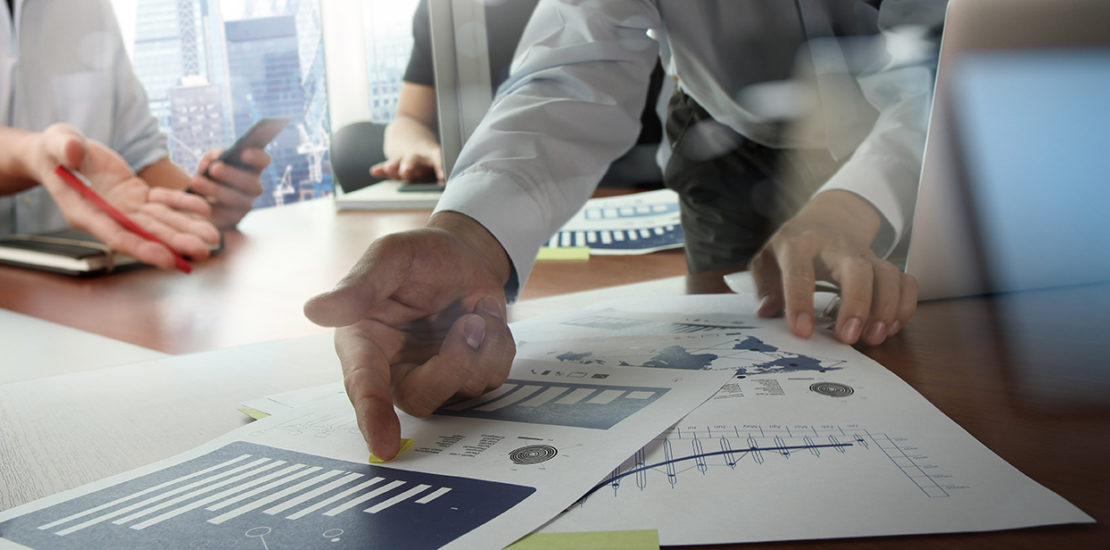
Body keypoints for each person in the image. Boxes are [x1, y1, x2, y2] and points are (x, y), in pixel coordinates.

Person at [306, 0, 946, 460]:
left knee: (933, 347)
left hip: (928, 118)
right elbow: (578, 61)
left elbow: (944, 59)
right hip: (729, 132)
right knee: (752, 359)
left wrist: (854, 205)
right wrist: (470, 237)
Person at [1, 0, 269, 269]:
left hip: (88, 287)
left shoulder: (90, 7)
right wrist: (31, 155)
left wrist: (199, 206)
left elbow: (140, 153)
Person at [371, 0, 667, 187]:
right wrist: (428, 151)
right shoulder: (442, 11)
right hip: (492, 187)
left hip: (613, 178)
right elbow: (407, 120)